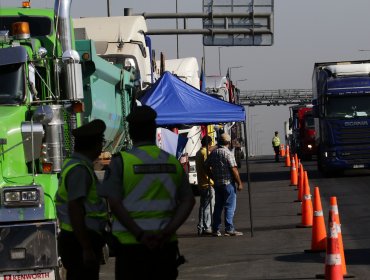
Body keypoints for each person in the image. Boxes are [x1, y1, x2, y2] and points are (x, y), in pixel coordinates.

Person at [100, 105, 195, 280]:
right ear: (153, 130)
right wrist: (167, 232)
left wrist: (140, 234)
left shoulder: (121, 162)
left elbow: (114, 202)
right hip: (164, 246)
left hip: (131, 248)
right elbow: (188, 200)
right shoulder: (172, 162)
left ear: (131, 131)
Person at [55, 119, 108, 280]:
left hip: (75, 237)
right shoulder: (80, 170)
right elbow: (75, 207)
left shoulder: (74, 164)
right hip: (80, 239)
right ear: (93, 145)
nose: (101, 147)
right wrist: (86, 247)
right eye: (101, 142)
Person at [205, 133, 244, 237]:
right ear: (228, 142)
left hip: (217, 184)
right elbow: (234, 169)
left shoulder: (213, 153)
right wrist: (239, 183)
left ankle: (216, 228)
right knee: (230, 206)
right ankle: (229, 228)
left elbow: (206, 167)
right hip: (228, 184)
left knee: (218, 207)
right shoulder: (228, 153)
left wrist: (213, 177)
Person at [195, 135, 216, 236]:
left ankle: (201, 226)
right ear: (209, 143)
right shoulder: (206, 153)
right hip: (208, 183)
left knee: (202, 207)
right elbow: (208, 168)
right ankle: (207, 227)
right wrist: (214, 178)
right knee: (209, 207)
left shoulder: (198, 153)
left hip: (201, 183)